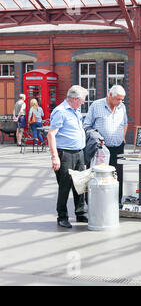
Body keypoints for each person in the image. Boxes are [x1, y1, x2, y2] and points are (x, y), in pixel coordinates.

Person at [47, 85, 88, 228]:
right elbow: (51, 134)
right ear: (75, 99)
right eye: (82, 100)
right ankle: (62, 216)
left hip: (78, 152)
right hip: (65, 154)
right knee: (65, 186)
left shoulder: (76, 111)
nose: (83, 102)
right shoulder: (61, 111)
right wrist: (54, 157)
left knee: (80, 184)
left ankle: (80, 213)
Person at [83, 85, 128, 205]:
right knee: (97, 174)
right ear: (110, 96)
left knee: (117, 175)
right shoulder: (96, 105)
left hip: (118, 147)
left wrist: (122, 136)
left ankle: (116, 201)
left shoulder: (122, 107)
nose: (120, 102)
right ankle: (94, 201)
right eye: (118, 99)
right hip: (100, 148)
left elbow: (125, 123)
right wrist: (97, 137)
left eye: (122, 99)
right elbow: (86, 125)